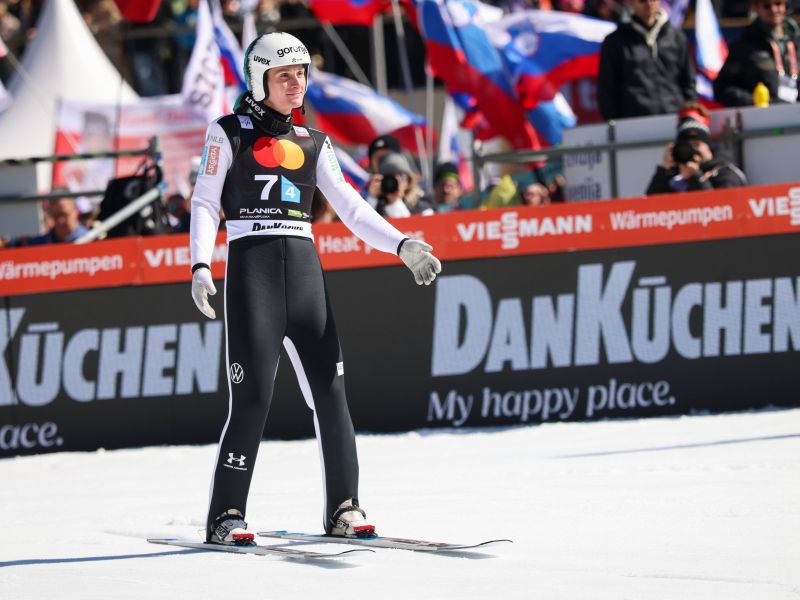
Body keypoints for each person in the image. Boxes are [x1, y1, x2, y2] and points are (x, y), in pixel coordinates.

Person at [189, 32, 442, 547]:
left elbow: (350, 208)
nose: (296, 83)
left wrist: (401, 243)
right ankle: (225, 515)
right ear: (260, 79)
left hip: (304, 270)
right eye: (284, 75)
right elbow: (204, 203)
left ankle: (344, 508)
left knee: (331, 393)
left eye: (302, 72)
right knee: (254, 398)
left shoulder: (314, 142)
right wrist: (198, 264)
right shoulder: (227, 132)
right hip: (252, 270)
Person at [597, 0, 696, 120]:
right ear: (631, 3)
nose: (648, 3)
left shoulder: (677, 38)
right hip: (634, 124)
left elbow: (689, 83)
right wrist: (617, 125)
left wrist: (687, 115)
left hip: (674, 119)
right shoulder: (615, 42)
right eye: (642, 0)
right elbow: (606, 89)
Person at [645, 103, 748, 194]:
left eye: (696, 144)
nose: (692, 150)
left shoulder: (725, 173)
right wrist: (665, 172)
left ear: (708, 146)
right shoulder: (672, 178)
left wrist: (695, 177)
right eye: (686, 145)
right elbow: (648, 209)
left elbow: (721, 210)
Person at [713, 0, 800, 106]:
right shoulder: (745, 45)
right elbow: (722, 89)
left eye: (778, 4)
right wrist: (755, 101)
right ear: (755, 7)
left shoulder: (796, 42)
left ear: (785, 5)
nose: (773, 10)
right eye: (766, 6)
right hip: (762, 117)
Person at [375, 152, 436, 217]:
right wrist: (372, 198)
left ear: (408, 180)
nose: (396, 182)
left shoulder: (422, 205)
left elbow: (409, 225)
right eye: (390, 177)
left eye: (401, 176)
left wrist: (395, 202)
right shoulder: (376, 203)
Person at [362, 134, 402, 209]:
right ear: (371, 163)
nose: (384, 164)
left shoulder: (415, 194)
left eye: (388, 158)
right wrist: (372, 199)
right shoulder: (358, 194)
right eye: (380, 159)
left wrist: (395, 202)